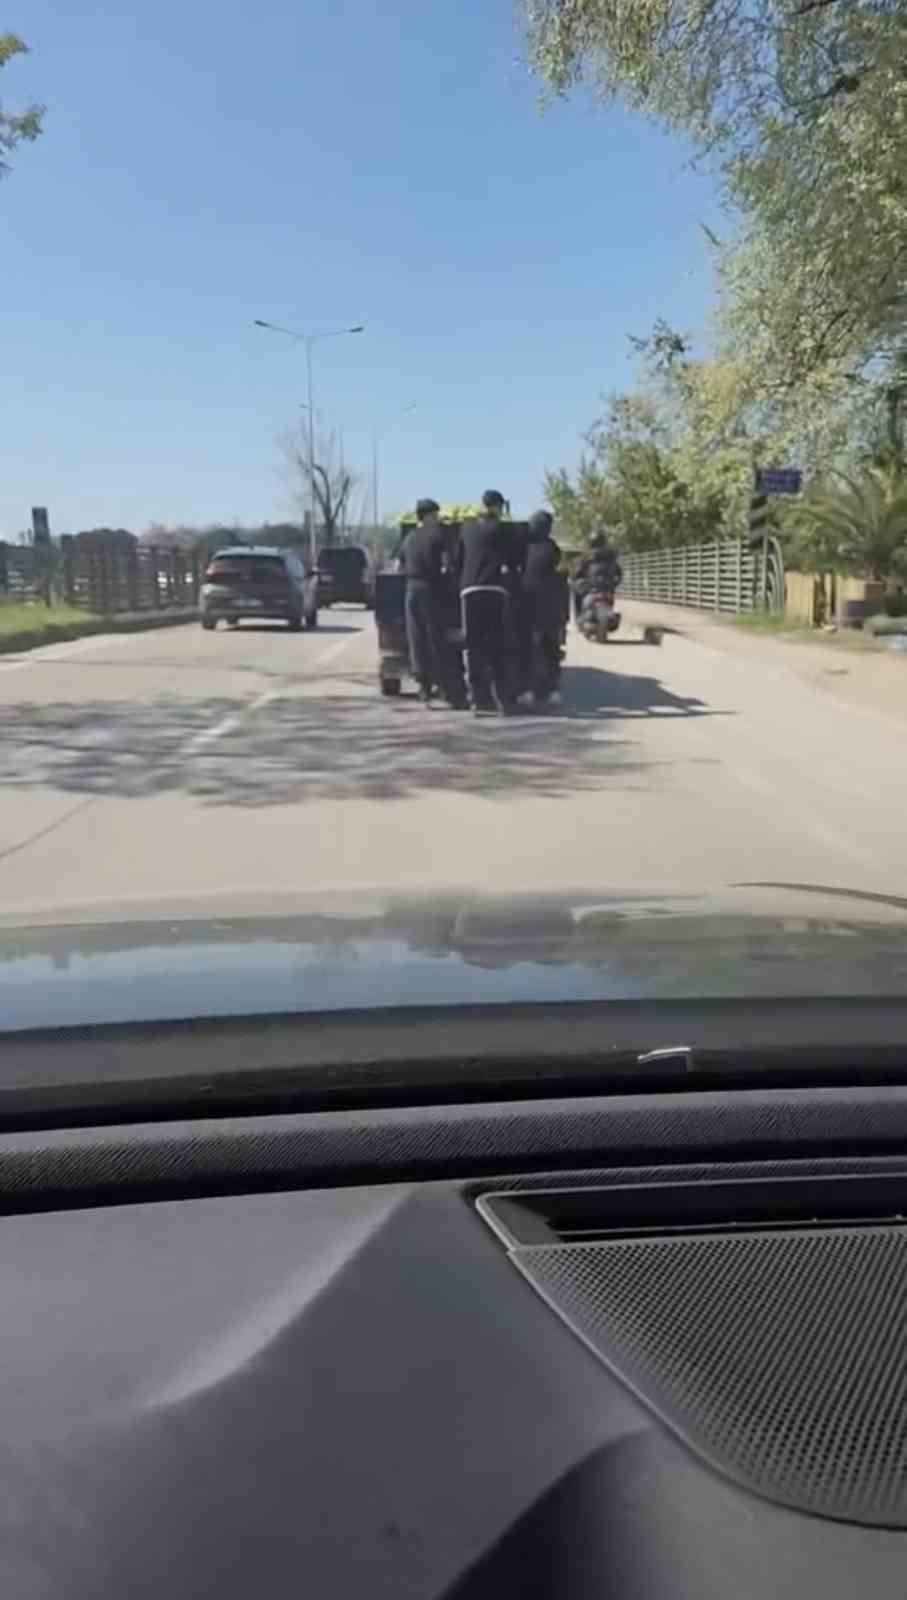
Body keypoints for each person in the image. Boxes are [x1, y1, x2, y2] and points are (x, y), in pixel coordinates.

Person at [455, 489, 517, 714]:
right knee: (497, 646)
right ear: (498, 507)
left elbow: (458, 560)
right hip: (494, 590)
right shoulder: (502, 529)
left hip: (469, 591)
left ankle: (477, 699)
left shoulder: (467, 527)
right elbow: (514, 560)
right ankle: (501, 699)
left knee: (472, 647)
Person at [397, 498, 449, 705]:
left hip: (411, 590)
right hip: (431, 589)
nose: (437, 518)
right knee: (434, 636)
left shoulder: (409, 538)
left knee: (416, 637)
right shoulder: (438, 535)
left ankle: (423, 687)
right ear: (427, 515)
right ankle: (441, 684)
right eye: (435, 515)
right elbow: (446, 564)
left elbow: (398, 566)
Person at [519, 509, 564, 705]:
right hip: (549, 607)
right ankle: (552, 690)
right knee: (550, 649)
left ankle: (528, 689)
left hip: (528, 605)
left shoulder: (523, 547)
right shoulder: (552, 548)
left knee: (528, 649)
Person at [573, 532, 623, 621]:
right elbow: (619, 574)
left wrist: (577, 581)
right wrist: (614, 584)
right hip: (607, 590)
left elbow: (578, 574)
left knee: (577, 592)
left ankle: (579, 617)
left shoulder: (586, 557)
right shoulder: (611, 556)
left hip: (592, 589)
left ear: (591, 543)